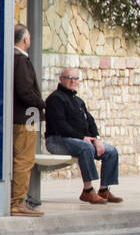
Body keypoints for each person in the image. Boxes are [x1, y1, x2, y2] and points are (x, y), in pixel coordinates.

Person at [44, 67, 123, 204]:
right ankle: (88, 190)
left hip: (79, 140)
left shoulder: (78, 101)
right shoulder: (55, 99)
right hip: (57, 140)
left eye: (75, 78)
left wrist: (97, 139)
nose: (73, 81)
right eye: (69, 78)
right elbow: (60, 125)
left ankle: (104, 190)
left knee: (111, 151)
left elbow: (90, 121)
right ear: (61, 79)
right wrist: (82, 138)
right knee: (85, 147)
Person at [11, 24, 44, 215]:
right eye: (29, 37)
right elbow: (24, 90)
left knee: (19, 158)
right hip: (27, 117)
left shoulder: (12, 59)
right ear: (24, 40)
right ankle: (17, 201)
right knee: (25, 159)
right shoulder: (21, 61)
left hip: (19, 117)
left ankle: (16, 198)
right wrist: (41, 103)